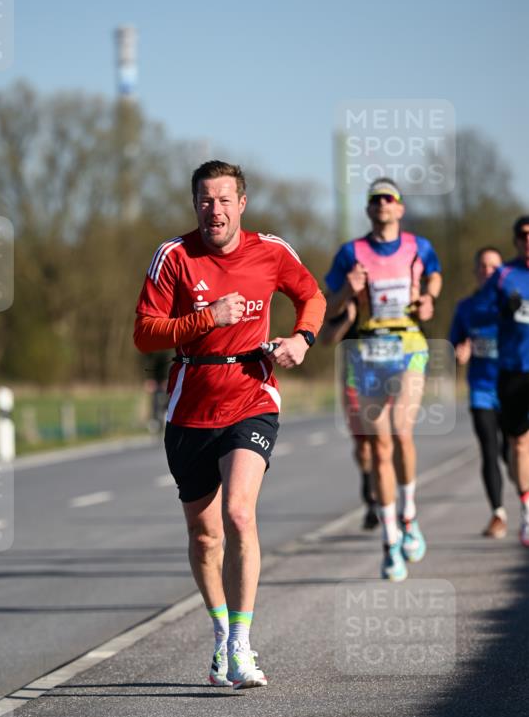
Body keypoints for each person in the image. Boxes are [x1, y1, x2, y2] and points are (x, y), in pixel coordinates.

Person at [134, 160, 326, 687]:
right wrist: (206, 318)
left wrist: (301, 339)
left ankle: (242, 643)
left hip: (251, 393)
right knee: (204, 537)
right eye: (205, 200)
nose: (213, 210)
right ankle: (221, 633)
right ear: (194, 203)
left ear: (241, 203)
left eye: (223, 200)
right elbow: (145, 334)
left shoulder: (271, 250)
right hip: (190, 405)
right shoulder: (173, 256)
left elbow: (312, 296)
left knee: (240, 514)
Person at [325, 177, 442, 581]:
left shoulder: (418, 246)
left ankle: (409, 514)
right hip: (367, 353)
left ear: (400, 208)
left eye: (388, 198)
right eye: (374, 199)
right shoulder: (351, 252)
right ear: (368, 209)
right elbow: (331, 304)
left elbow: (434, 278)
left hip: (408, 346)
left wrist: (428, 300)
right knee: (378, 447)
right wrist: (348, 289)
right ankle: (391, 540)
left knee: (402, 433)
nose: (381, 204)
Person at [449, 247, 507, 537]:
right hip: (482, 388)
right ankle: (497, 513)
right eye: (482, 266)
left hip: (514, 387)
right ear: (475, 272)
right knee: (489, 450)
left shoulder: (514, 302)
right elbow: (453, 346)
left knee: (513, 451)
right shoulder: (466, 307)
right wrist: (460, 352)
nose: (487, 271)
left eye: (493, 266)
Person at [481, 216, 529, 546]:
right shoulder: (503, 276)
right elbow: (479, 315)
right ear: (516, 240)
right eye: (524, 235)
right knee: (518, 444)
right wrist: (503, 310)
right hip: (513, 371)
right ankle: (527, 513)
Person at [320, 301, 379, 530]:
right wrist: (347, 320)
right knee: (364, 446)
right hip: (354, 382)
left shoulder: (385, 292)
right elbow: (325, 339)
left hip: (386, 379)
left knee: (384, 442)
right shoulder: (344, 300)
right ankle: (371, 501)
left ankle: (388, 499)